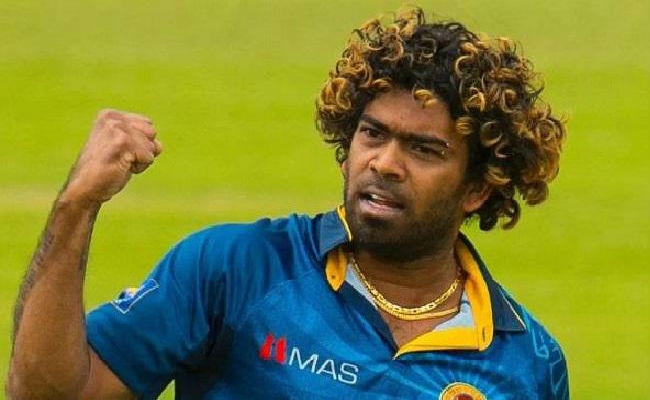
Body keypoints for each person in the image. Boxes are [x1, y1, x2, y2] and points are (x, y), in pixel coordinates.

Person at [7, 7, 569, 400]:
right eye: (373, 134)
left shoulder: (528, 364)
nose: (385, 163)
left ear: (478, 187)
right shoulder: (236, 270)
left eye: (424, 149)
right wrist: (76, 206)